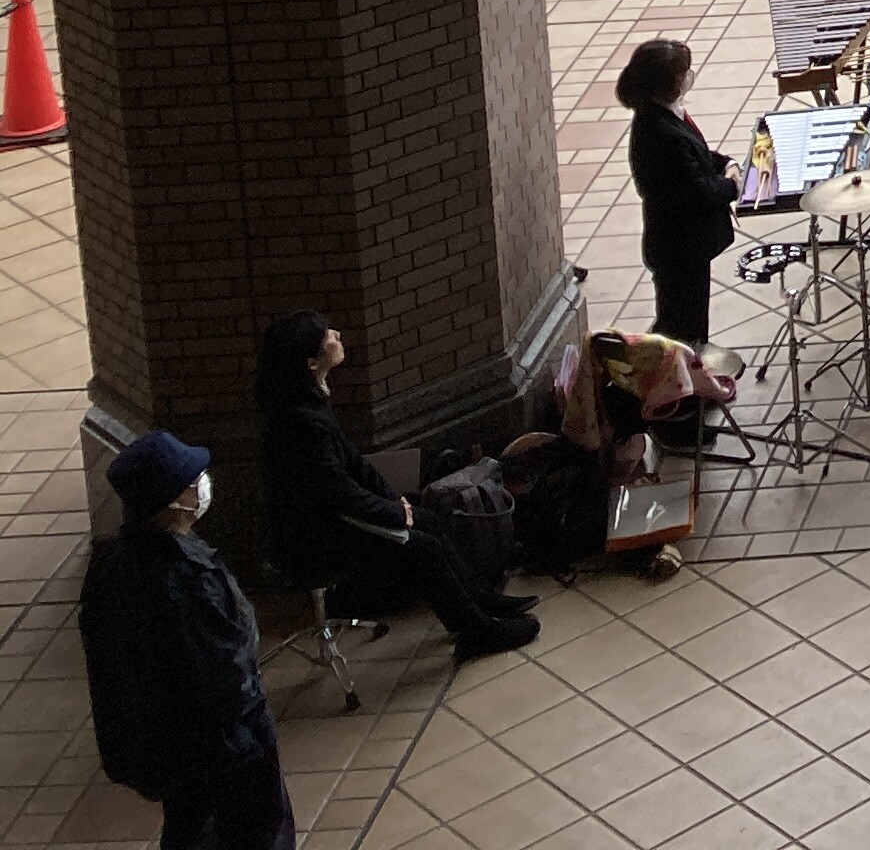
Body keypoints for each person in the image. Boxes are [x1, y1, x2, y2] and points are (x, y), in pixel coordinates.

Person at [254, 312, 537, 659]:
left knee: (428, 519)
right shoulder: (301, 423)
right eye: (327, 335)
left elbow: (355, 464)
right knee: (423, 548)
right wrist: (395, 514)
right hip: (317, 537)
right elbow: (339, 492)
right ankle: (475, 630)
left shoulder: (310, 401)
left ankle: (483, 601)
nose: (337, 333)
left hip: (339, 517)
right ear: (311, 362)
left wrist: (398, 502)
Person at [83, 428, 297, 850]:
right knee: (259, 834)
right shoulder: (188, 581)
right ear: (173, 499)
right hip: (229, 748)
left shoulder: (111, 566)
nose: (203, 483)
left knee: (189, 829)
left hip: (166, 747)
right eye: (193, 478)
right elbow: (228, 681)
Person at [618, 36, 738, 347]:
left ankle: (689, 380)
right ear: (667, 83)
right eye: (683, 72)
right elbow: (699, 190)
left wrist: (725, 162)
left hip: (686, 244)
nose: (689, 76)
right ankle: (671, 384)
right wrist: (733, 185)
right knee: (680, 328)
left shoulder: (666, 115)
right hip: (679, 245)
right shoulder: (660, 132)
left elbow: (696, 157)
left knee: (691, 321)